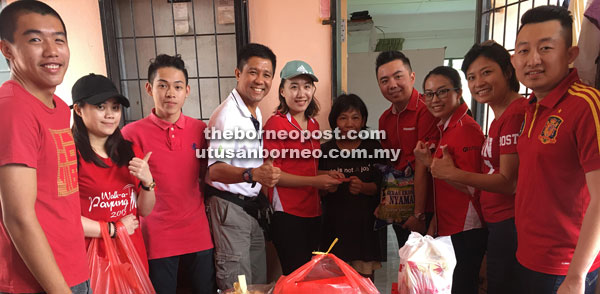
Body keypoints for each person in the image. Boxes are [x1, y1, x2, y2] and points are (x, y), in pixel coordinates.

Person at [0, 1, 91, 293]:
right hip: (39, 283)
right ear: (7, 50)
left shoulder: (59, 106)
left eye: (59, 39)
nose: (52, 50)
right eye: (36, 39)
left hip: (71, 268)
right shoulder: (14, 109)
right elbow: (18, 216)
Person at [511, 5, 600, 293]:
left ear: (571, 54)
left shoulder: (586, 105)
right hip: (528, 255)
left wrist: (576, 277)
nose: (533, 60)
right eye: (523, 50)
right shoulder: (531, 107)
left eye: (546, 48)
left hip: (565, 267)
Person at [428, 41, 525, 294]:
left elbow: (508, 181)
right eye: (472, 76)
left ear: (508, 70)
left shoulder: (512, 115)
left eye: (486, 72)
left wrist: (448, 172)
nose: (478, 82)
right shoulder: (498, 119)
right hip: (494, 222)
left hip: (505, 222)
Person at [121, 54, 215, 293]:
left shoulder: (200, 130)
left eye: (177, 86)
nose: (170, 93)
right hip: (156, 237)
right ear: (149, 88)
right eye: (162, 85)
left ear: (187, 91)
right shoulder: (131, 133)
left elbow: (209, 175)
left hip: (198, 233)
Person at [205, 43, 281, 290]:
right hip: (230, 207)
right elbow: (215, 169)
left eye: (267, 74)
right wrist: (253, 174)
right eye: (253, 72)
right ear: (238, 73)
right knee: (237, 285)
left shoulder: (253, 112)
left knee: (257, 281)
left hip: (250, 208)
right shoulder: (228, 117)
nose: (260, 80)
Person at [263, 60, 342, 275]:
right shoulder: (275, 124)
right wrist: (316, 181)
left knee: (311, 276)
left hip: (314, 211)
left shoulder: (314, 124)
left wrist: (327, 176)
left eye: (307, 86)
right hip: (288, 214)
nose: (301, 93)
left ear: (313, 89)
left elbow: (306, 169)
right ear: (282, 91)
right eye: (294, 86)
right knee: (295, 276)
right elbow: (273, 176)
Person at [71, 73, 155, 273]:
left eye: (115, 108)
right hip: (94, 260)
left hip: (131, 255)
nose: (110, 115)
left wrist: (147, 182)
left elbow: (143, 210)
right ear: (78, 109)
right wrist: (115, 229)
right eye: (100, 107)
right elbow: (66, 219)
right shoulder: (70, 155)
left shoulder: (129, 150)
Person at [414, 66, 487, 294]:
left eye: (442, 92)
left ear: (458, 92)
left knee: (462, 286)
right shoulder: (447, 127)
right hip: (451, 225)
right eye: (429, 94)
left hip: (466, 227)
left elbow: (474, 187)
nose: (434, 99)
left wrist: (430, 165)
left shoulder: (466, 129)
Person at [319, 93, 385, 281]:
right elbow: (317, 190)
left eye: (355, 118)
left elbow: (382, 188)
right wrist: (327, 187)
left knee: (363, 283)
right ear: (335, 121)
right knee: (335, 284)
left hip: (365, 231)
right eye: (343, 117)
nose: (349, 124)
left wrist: (364, 187)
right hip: (333, 230)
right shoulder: (325, 151)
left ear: (363, 120)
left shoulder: (374, 148)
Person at [376, 51, 439, 246]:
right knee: (407, 262)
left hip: (426, 207)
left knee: (427, 268)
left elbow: (422, 165)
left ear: (412, 77)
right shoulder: (385, 119)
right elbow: (389, 166)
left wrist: (418, 214)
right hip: (399, 205)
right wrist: (386, 203)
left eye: (398, 76)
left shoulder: (426, 110)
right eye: (384, 80)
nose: (392, 85)